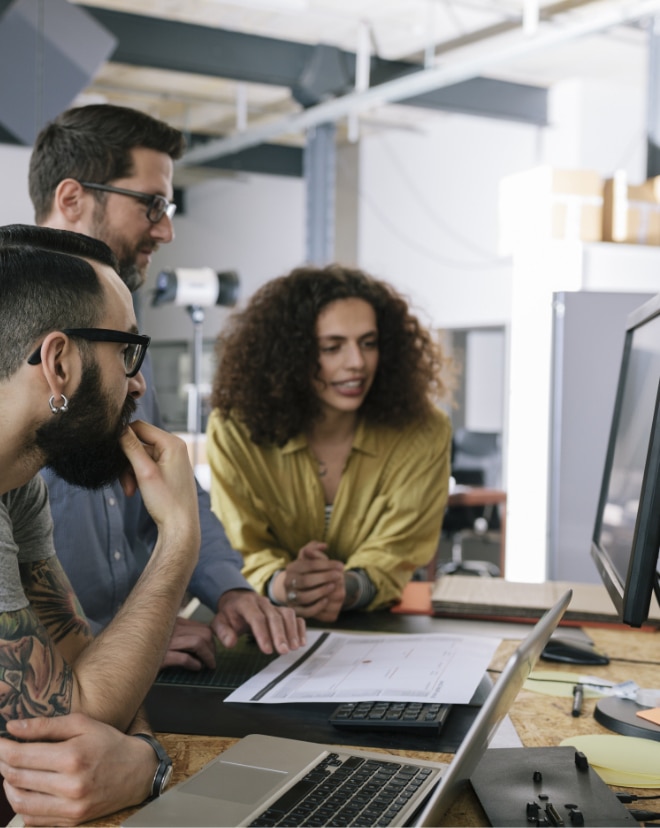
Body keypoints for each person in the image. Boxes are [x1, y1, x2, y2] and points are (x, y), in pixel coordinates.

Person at [28, 103, 303, 665]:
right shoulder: (13, 348)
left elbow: (169, 483)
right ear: (73, 198)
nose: (168, 229)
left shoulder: (119, 345)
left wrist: (227, 586)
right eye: (153, 204)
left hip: (143, 668)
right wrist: (114, 641)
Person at [0, 226, 200, 823]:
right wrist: (179, 541)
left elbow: (82, 677)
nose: (137, 383)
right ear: (59, 363)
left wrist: (139, 755)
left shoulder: (18, 489)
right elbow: (68, 717)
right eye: (127, 353)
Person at [207, 264, 452, 623]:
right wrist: (283, 584)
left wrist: (347, 587)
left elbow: (397, 551)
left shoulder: (424, 431)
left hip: (376, 629)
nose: (357, 363)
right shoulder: (234, 430)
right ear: (291, 355)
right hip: (263, 621)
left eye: (368, 343)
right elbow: (241, 546)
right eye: (332, 347)